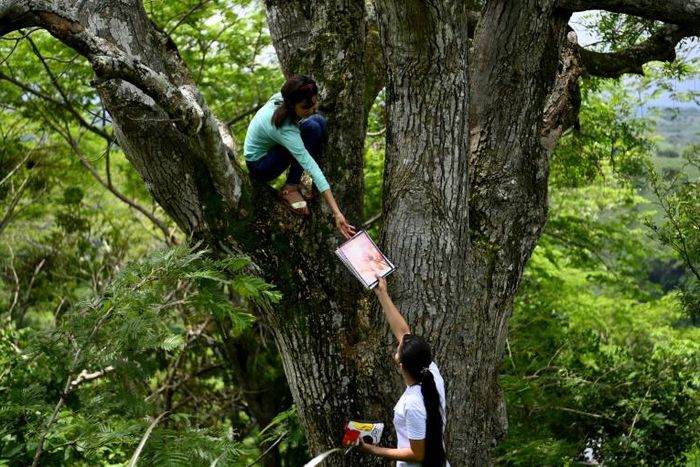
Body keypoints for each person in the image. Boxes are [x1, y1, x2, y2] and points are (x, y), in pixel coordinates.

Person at [243, 75, 355, 239]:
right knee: (312, 130)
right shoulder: (284, 129)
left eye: (314, 102)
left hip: (272, 148)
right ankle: (290, 188)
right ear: (290, 104)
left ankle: (297, 179)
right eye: (305, 107)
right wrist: (337, 213)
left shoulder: (286, 97)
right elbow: (314, 170)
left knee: (317, 122)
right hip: (260, 165)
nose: (311, 109)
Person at [360, 275, 448, 467]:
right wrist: (382, 294)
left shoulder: (413, 404)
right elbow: (403, 332)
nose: (399, 342)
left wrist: (374, 450)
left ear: (401, 365)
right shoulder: (431, 372)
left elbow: (417, 454)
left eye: (399, 347)